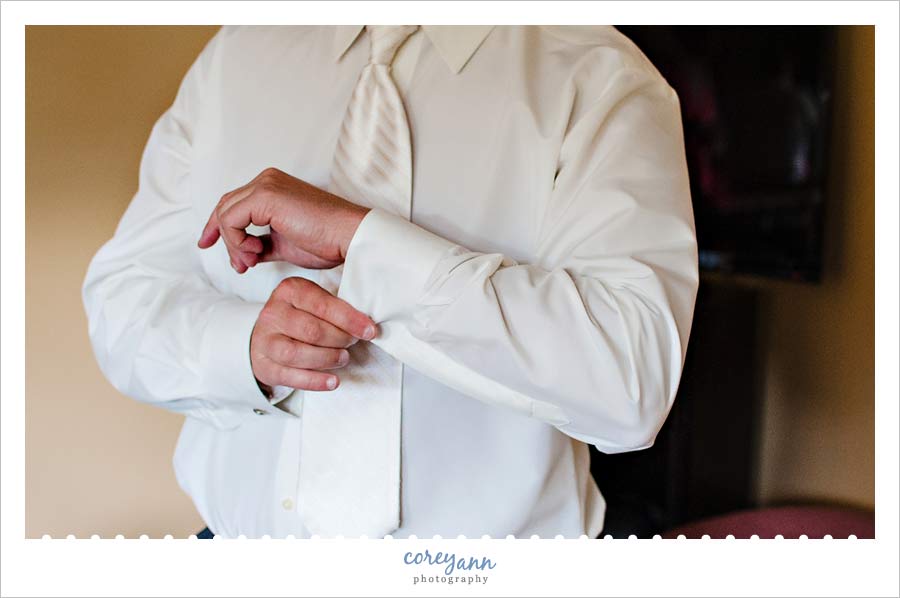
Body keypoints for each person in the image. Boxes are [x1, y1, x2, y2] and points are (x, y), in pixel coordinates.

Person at [82, 25, 698, 539]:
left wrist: (365, 243)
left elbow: (630, 381)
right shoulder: (235, 56)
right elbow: (124, 300)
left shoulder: (602, 78)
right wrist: (244, 347)